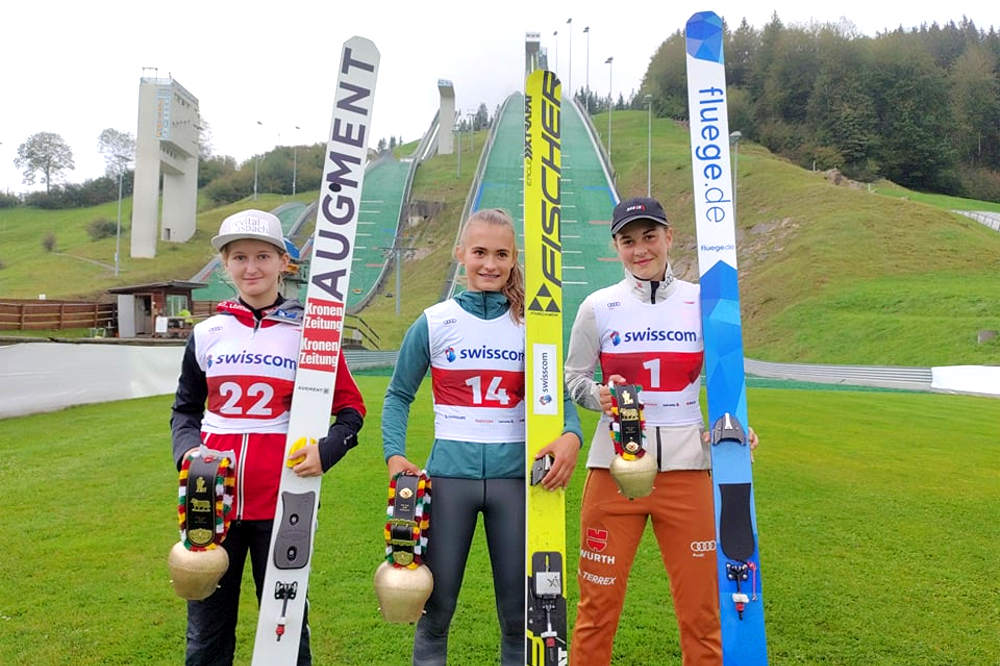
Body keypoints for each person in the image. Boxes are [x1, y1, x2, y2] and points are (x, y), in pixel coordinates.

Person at [382, 208, 583, 666]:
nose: (489, 264)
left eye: (500, 254)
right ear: (460, 255)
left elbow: (557, 401)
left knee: (519, 617)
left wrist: (571, 433)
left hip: (517, 483)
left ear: (514, 260)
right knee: (435, 612)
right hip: (450, 481)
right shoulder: (434, 321)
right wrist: (395, 456)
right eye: (479, 252)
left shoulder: (534, 324)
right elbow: (397, 396)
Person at [564, 196, 757, 666]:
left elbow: (728, 378)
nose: (640, 249)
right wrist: (598, 397)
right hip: (614, 468)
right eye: (628, 241)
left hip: (688, 471)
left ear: (669, 237)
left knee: (702, 612)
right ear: (616, 247)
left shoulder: (703, 301)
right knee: (596, 611)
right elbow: (574, 378)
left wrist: (734, 428)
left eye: (650, 236)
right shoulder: (598, 306)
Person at [170, 209, 366, 666]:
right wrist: (187, 452)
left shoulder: (310, 335)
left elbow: (351, 412)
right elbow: (184, 410)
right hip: (209, 502)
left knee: (285, 629)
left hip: (283, 504)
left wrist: (326, 450)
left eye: (262, 255)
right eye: (239, 257)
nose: (251, 267)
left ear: (284, 263)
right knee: (206, 634)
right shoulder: (207, 333)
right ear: (225, 264)